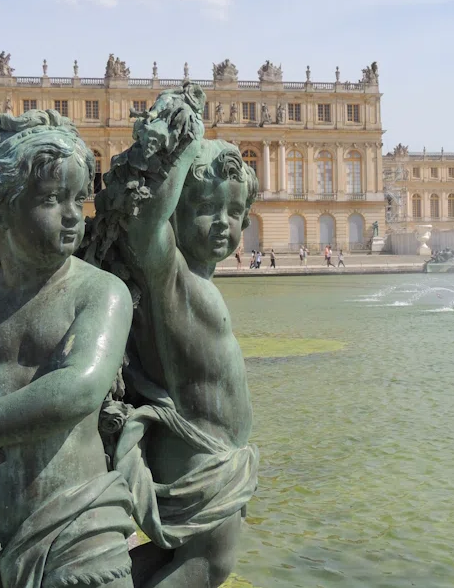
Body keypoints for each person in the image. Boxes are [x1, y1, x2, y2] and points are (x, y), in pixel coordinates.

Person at [0, 111, 135, 586]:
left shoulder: (100, 292)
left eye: (77, 199)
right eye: (50, 199)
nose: (71, 216)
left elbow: (78, 388)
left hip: (78, 525)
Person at [113, 136, 259, 587]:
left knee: (172, 562)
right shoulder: (171, 276)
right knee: (209, 565)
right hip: (201, 464)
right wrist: (178, 147)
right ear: (174, 210)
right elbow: (146, 229)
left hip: (208, 457)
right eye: (206, 207)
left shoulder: (190, 281)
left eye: (234, 213)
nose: (223, 223)